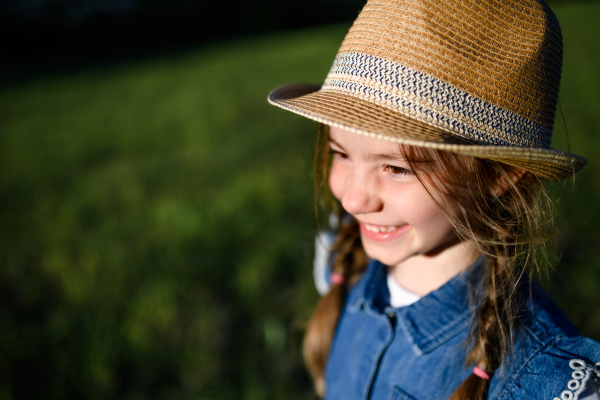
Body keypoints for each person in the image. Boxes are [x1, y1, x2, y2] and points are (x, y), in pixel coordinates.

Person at [268, 0, 600, 399]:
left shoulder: (535, 378)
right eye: (341, 154)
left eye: (396, 168)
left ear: (500, 175)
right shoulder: (346, 265)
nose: (353, 200)